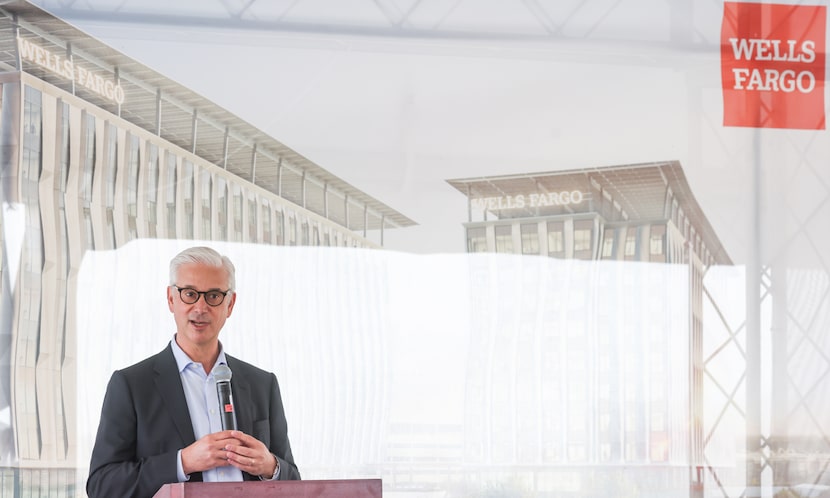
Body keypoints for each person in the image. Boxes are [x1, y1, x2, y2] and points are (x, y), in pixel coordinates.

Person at [87, 246, 300, 498]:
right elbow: (102, 485)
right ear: (171, 299)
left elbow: (294, 481)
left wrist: (270, 467)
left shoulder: (263, 384)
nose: (200, 307)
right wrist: (183, 462)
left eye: (213, 296)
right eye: (189, 294)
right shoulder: (131, 385)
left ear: (230, 305)